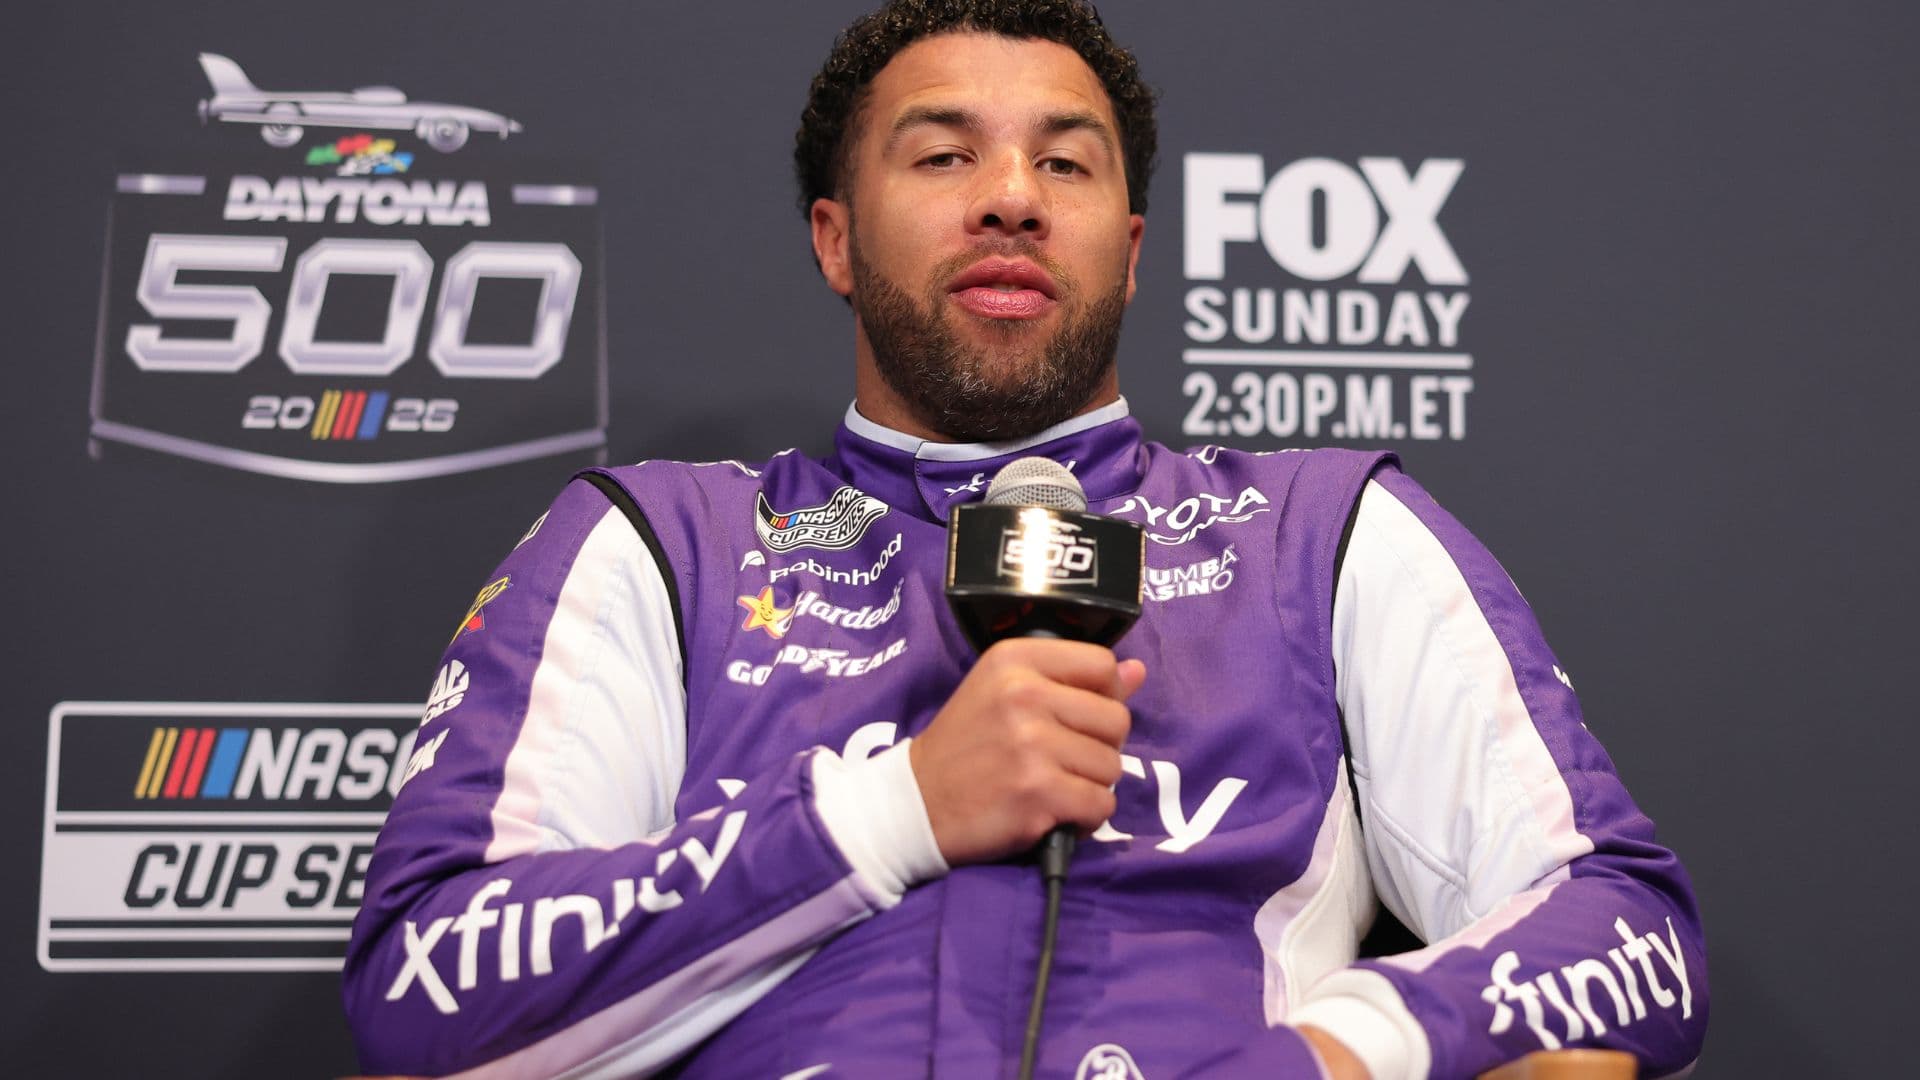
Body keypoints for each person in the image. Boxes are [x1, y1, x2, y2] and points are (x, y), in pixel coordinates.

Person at [343, 3, 1709, 1077]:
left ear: (1129, 243)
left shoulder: (1323, 532)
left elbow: (1628, 931)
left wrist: (1340, 1051)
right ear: (835, 237)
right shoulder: (659, 543)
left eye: (1064, 160)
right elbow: (425, 990)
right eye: (943, 156)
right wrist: (895, 813)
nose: (1011, 196)